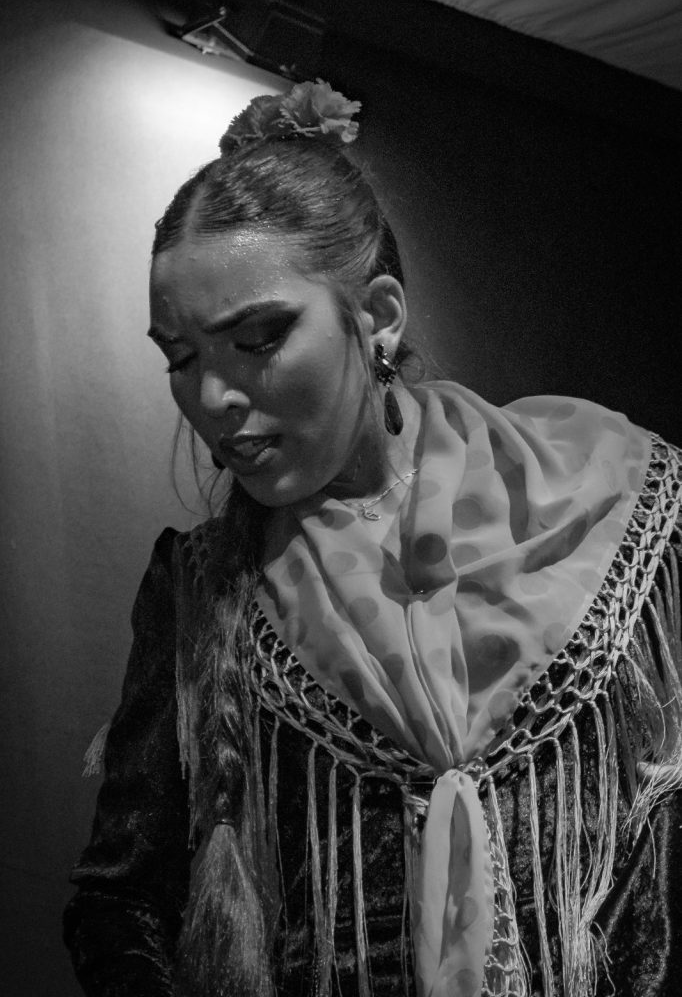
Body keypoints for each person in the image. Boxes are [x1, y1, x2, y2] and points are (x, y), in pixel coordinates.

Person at [64, 81, 682, 997]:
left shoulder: (617, 505)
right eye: (182, 359)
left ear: (379, 315)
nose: (214, 398)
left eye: (258, 339)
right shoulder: (204, 590)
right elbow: (121, 905)